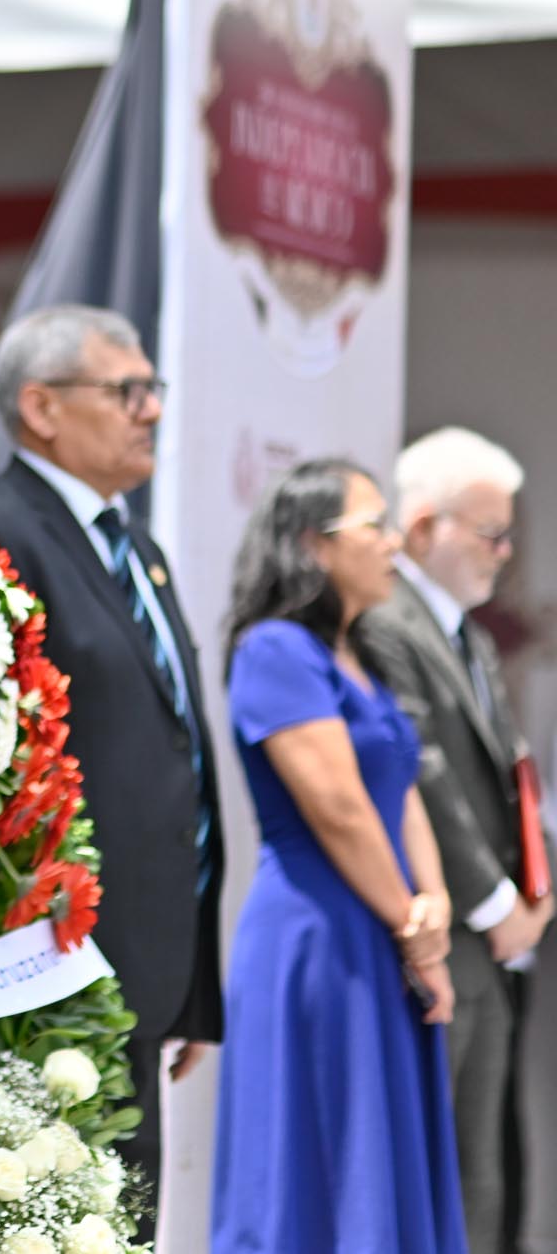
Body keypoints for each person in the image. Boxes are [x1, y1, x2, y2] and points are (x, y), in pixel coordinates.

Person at [0, 305, 220, 1220]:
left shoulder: (134, 547)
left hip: (147, 956)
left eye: (153, 390)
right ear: (42, 407)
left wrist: (193, 978)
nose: (150, 410)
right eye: (126, 390)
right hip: (57, 961)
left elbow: (176, 753)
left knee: (128, 1219)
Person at [210, 459, 464, 1253]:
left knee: (379, 1162)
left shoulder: (365, 656)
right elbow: (340, 807)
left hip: (383, 929)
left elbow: (401, 790)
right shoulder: (275, 650)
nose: (394, 542)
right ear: (313, 545)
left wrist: (435, 906)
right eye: (374, 525)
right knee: (319, 1168)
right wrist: (411, 923)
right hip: (318, 940)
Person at [356, 427, 551, 1254]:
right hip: (445, 938)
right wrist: (496, 898)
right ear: (425, 523)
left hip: (494, 945)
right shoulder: (389, 623)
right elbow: (421, 769)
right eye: (489, 532)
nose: (504, 553)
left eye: (509, 534)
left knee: (485, 1172)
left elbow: (504, 767)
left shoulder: (462, 631)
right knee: (443, 1179)